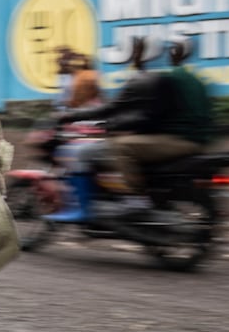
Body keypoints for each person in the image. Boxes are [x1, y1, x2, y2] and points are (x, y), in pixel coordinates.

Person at [62, 37, 213, 209]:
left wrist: (113, 125)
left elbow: (140, 113)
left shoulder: (164, 79)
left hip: (179, 138)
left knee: (120, 147)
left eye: (136, 51)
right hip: (196, 138)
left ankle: (138, 199)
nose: (133, 56)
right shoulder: (195, 80)